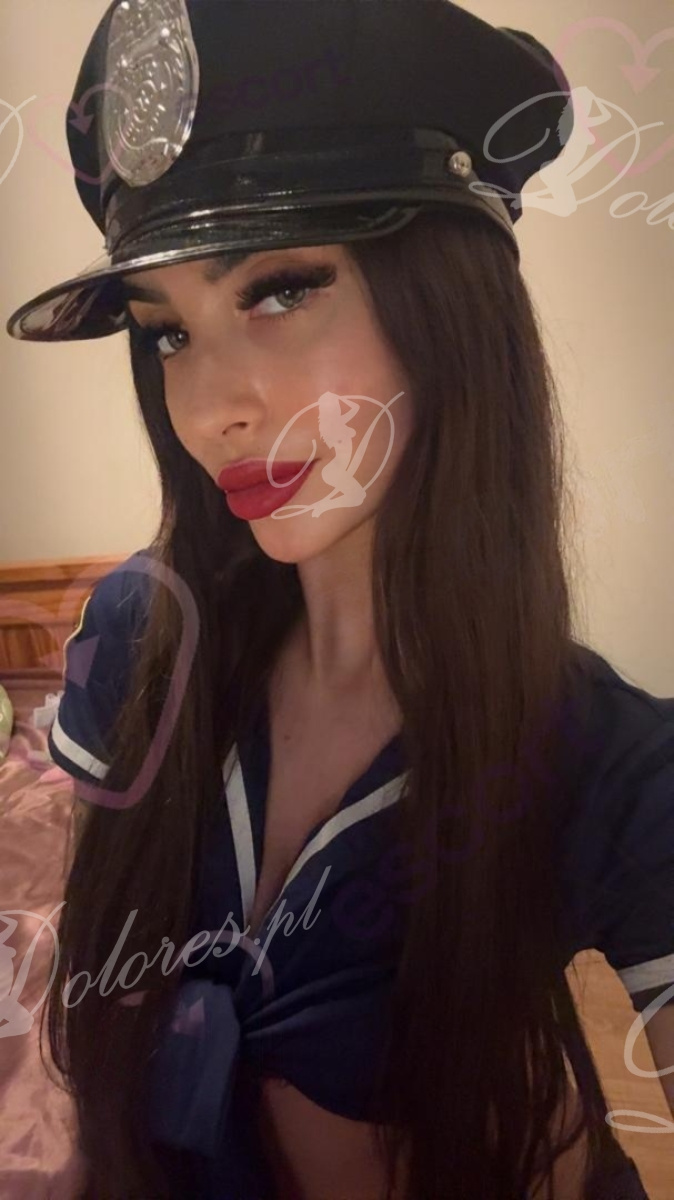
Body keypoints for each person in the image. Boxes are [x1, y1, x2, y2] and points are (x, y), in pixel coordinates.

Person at [6, 2, 672, 1198]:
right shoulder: (139, 642)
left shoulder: (607, 765)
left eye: (277, 291)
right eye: (167, 335)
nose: (210, 407)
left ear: (445, 306)